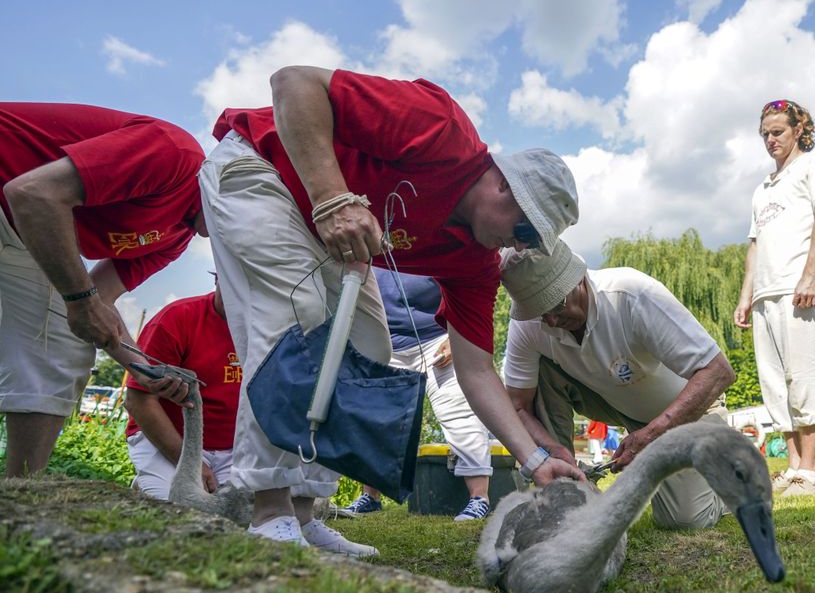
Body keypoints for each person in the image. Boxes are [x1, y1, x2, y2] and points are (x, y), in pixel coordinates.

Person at [199, 66, 585, 547]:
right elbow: (293, 83)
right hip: (263, 168)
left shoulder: (476, 263)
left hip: (320, 228)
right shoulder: (442, 128)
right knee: (297, 319)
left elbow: (478, 371)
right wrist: (332, 199)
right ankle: (268, 510)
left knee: (368, 347)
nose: (520, 246)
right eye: (527, 232)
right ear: (505, 187)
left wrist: (534, 460)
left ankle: (302, 511)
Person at [1, 103, 207, 478]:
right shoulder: (175, 155)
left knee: (61, 343)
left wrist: (141, 368)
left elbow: (99, 298)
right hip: (15, 200)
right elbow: (33, 194)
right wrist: (81, 300)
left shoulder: (177, 237)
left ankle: (20, 494)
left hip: (21, 234)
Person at [501, 241, 737, 530]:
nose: (550, 319)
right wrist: (550, 450)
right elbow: (517, 406)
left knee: (684, 520)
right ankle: (562, 495)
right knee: (539, 373)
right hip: (617, 404)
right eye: (538, 310)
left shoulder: (632, 295)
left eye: (556, 304)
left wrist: (651, 434)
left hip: (689, 409)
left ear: (578, 279)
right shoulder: (531, 323)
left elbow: (718, 372)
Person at [734, 99, 815, 497]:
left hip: (800, 288)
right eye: (764, 134)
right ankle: (793, 468)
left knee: (804, 377)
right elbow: (754, 245)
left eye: (777, 131)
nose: (770, 140)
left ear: (799, 129)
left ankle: (811, 473)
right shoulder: (763, 188)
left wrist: (810, 275)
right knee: (775, 385)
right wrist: (746, 296)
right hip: (765, 293)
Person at [346, 268, 493, 521]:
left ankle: (479, 498)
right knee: (376, 418)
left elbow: (463, 282)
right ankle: (370, 497)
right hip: (384, 339)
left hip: (436, 338)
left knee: (458, 411)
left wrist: (455, 334)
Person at [124, 278, 239, 500]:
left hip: (233, 450)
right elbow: (138, 400)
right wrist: (190, 463)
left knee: (250, 519)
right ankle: (153, 480)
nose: (240, 293)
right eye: (234, 280)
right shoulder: (177, 318)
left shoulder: (266, 329)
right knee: (179, 507)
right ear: (217, 278)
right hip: (173, 442)